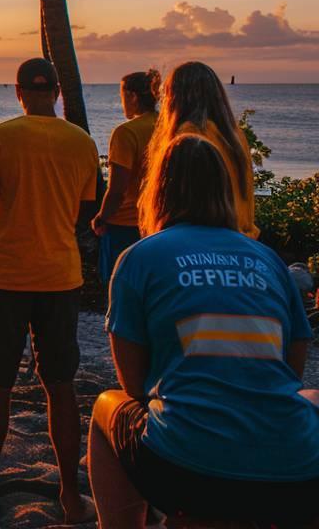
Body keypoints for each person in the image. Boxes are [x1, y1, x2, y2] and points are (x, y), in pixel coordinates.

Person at [89, 133, 319, 528]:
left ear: (157, 190)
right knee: (310, 398)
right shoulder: (268, 260)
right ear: (226, 189)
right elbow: (293, 367)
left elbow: (134, 384)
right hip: (297, 473)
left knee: (105, 408)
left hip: (185, 470)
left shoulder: (140, 258)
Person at [0, 58, 100, 523]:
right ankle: (71, 498)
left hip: (5, 277)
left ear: (18, 92)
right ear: (56, 91)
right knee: (61, 387)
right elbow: (84, 212)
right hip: (60, 277)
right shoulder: (82, 142)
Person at [147, 61, 256, 238]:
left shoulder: (189, 135)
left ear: (175, 98)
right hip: (239, 238)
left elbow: (182, 203)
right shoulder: (234, 135)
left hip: (200, 242)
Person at [91, 69, 160, 287]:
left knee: (119, 285)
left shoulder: (126, 133)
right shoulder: (168, 127)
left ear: (132, 96)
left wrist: (102, 217)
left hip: (125, 223)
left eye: (122, 96)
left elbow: (117, 190)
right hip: (159, 221)